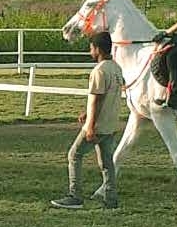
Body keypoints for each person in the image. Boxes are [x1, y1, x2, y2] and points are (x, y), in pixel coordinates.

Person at [51, 31, 124, 210]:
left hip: (97, 125)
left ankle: (75, 196)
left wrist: (90, 125)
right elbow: (108, 96)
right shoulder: (116, 68)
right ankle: (111, 199)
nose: (90, 51)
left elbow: (97, 99)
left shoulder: (99, 71)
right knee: (107, 162)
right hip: (110, 123)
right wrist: (87, 112)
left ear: (97, 49)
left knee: (74, 155)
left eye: (91, 48)